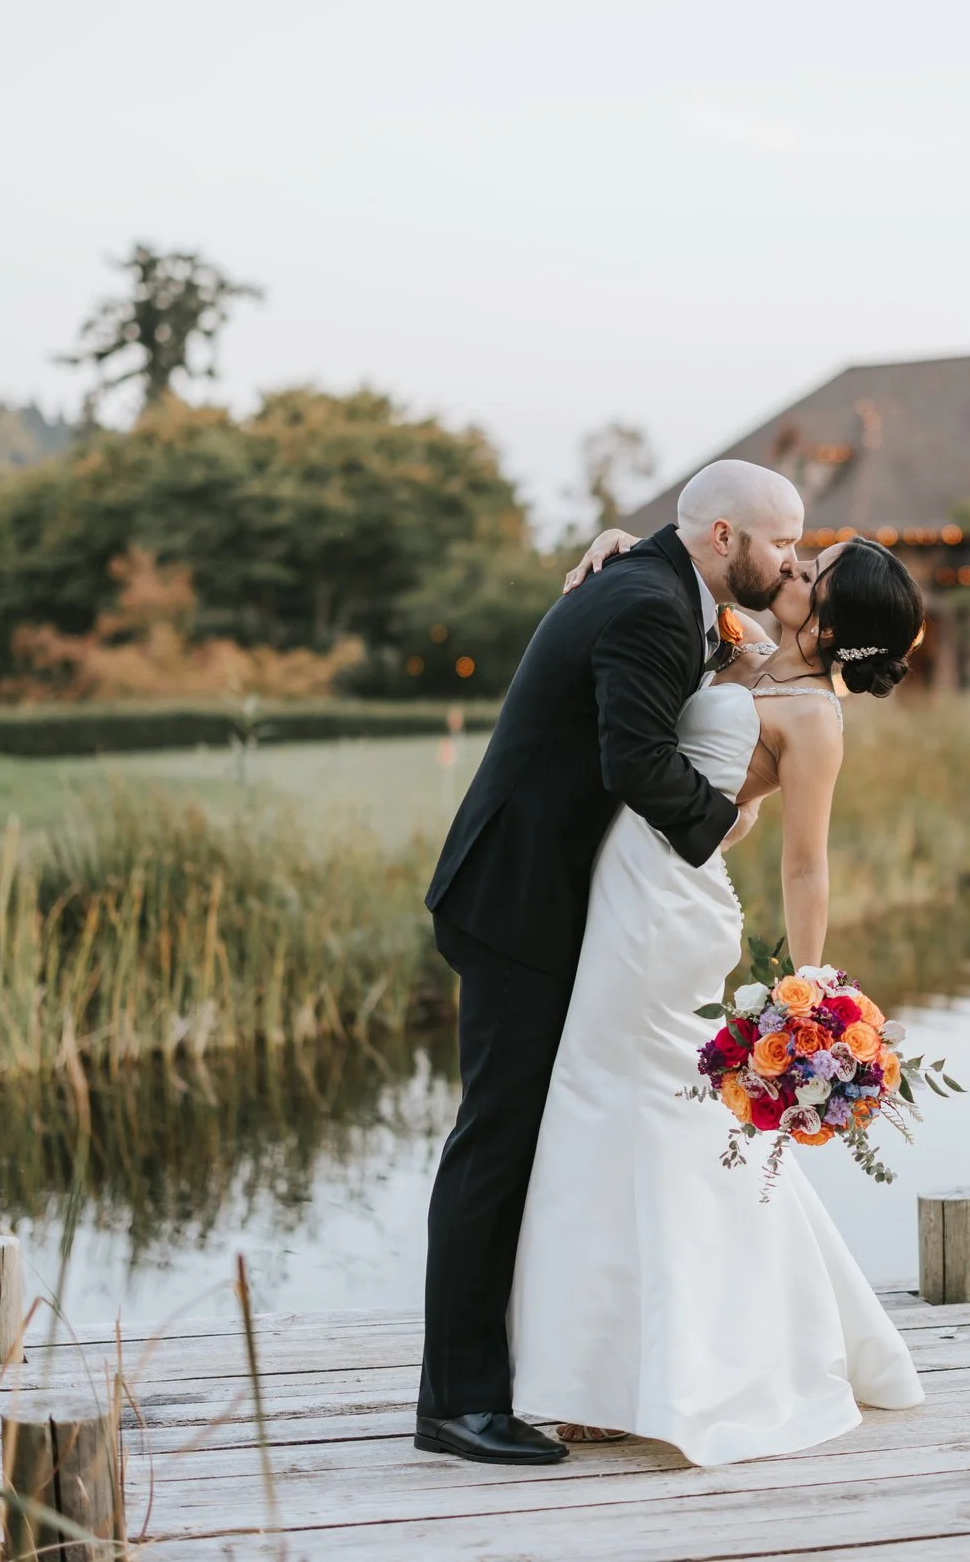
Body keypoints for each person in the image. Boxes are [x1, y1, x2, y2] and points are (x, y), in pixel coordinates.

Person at [505, 523, 931, 1467]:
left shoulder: (816, 719)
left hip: (671, 904)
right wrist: (623, 542)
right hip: (625, 881)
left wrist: (806, 996)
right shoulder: (739, 643)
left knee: (627, 1103)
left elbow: (808, 865)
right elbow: (675, 589)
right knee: (613, 1100)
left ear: (831, 617)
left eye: (813, 572)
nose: (794, 567)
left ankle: (632, 1369)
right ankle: (606, 1357)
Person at [415, 460, 803, 1466]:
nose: (791, 559)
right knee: (493, 1141)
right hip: (514, 901)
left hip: (546, 899)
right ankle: (456, 1405)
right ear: (723, 537)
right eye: (782, 542)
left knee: (527, 1135)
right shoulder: (646, 602)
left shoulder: (662, 588)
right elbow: (630, 759)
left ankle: (520, 1371)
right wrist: (725, 826)